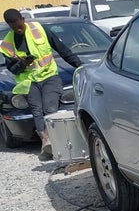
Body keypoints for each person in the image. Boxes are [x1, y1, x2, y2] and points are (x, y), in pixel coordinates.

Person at [1, 8, 83, 160]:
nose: (18, 30)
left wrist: (79, 65)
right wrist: (22, 65)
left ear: (22, 19)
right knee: (37, 110)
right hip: (29, 82)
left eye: (19, 25)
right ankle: (46, 143)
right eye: (13, 27)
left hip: (49, 76)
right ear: (9, 25)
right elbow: (12, 69)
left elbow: (63, 50)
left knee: (49, 108)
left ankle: (60, 142)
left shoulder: (39, 29)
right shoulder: (8, 43)